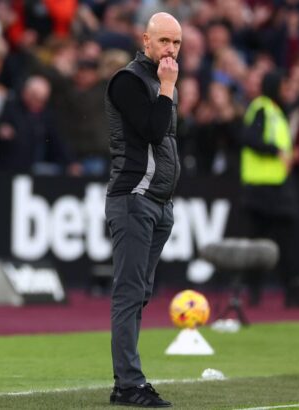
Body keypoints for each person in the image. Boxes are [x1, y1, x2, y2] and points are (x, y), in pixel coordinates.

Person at [104, 12, 180, 408]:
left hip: (158, 203)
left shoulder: (159, 82)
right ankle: (128, 383)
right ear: (145, 41)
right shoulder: (128, 80)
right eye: (164, 41)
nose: (170, 50)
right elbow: (151, 130)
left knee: (140, 293)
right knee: (129, 293)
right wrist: (167, 87)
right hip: (134, 197)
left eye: (177, 43)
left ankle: (127, 381)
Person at [240, 70, 299, 306]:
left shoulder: (275, 111)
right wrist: (277, 151)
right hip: (262, 190)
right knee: (264, 244)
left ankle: (285, 293)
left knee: (277, 244)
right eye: (284, 86)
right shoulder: (262, 108)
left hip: (275, 188)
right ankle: (258, 293)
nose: (287, 91)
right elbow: (249, 138)